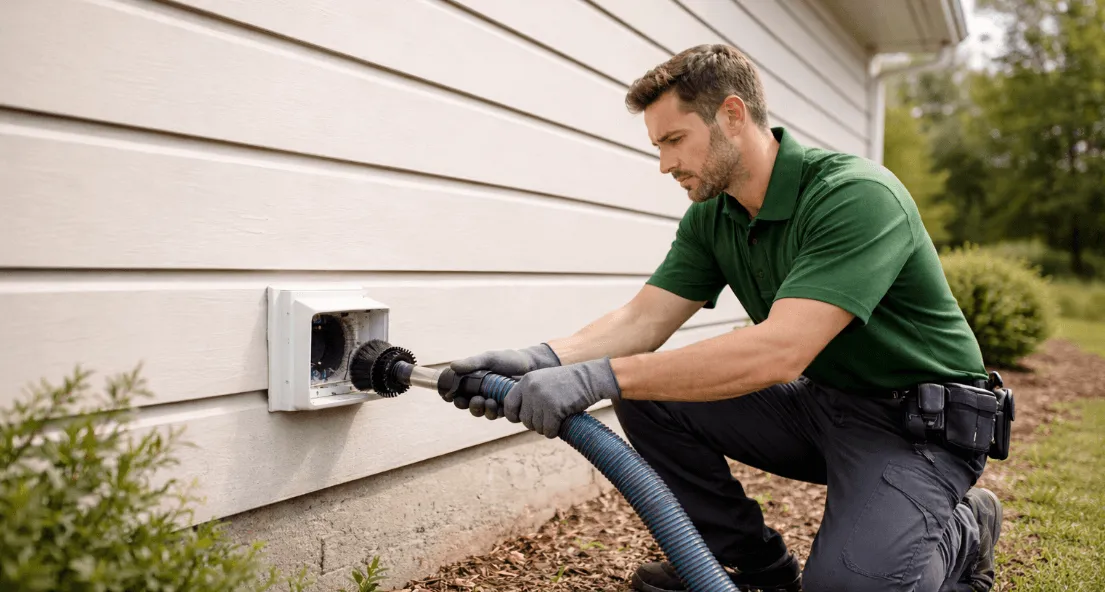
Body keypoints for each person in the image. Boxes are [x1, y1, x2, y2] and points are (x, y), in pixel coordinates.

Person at [447, 44, 1005, 592]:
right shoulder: (714, 215)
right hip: (826, 405)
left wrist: (598, 377)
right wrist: (538, 360)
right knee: (648, 392)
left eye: (674, 140)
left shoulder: (854, 197)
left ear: (732, 116)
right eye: (658, 146)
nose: (665, 164)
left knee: (849, 586)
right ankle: (752, 565)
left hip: (919, 431)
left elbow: (779, 351)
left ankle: (964, 529)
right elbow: (643, 320)